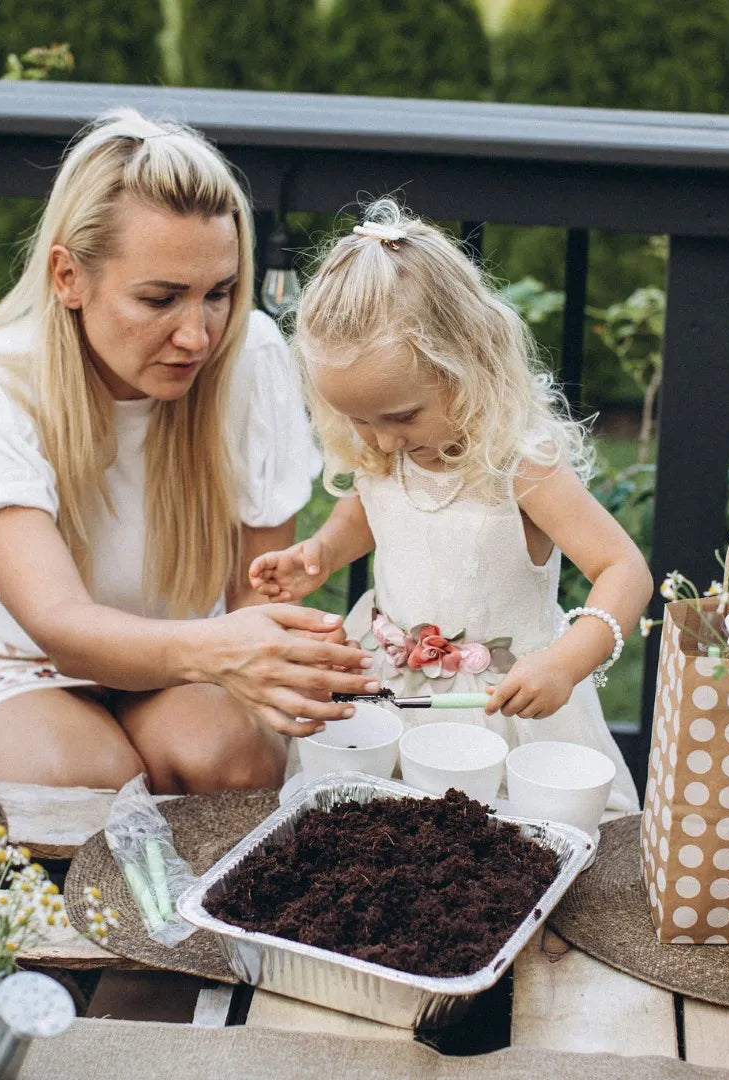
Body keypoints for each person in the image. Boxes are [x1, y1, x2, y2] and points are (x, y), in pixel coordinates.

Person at [0, 109, 380, 794]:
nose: (198, 336)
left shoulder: (251, 360)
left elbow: (254, 590)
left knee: (228, 757)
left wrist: (275, 654)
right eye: (160, 299)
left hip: (189, 658)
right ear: (68, 276)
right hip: (15, 662)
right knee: (89, 779)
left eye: (219, 294)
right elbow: (59, 624)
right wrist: (226, 650)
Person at [250, 199, 650, 809]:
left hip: (497, 708)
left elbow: (624, 570)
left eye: (401, 416)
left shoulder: (520, 463)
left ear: (468, 364)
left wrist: (566, 664)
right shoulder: (385, 450)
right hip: (388, 690)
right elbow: (369, 510)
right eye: (357, 420)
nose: (381, 440)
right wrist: (324, 551)